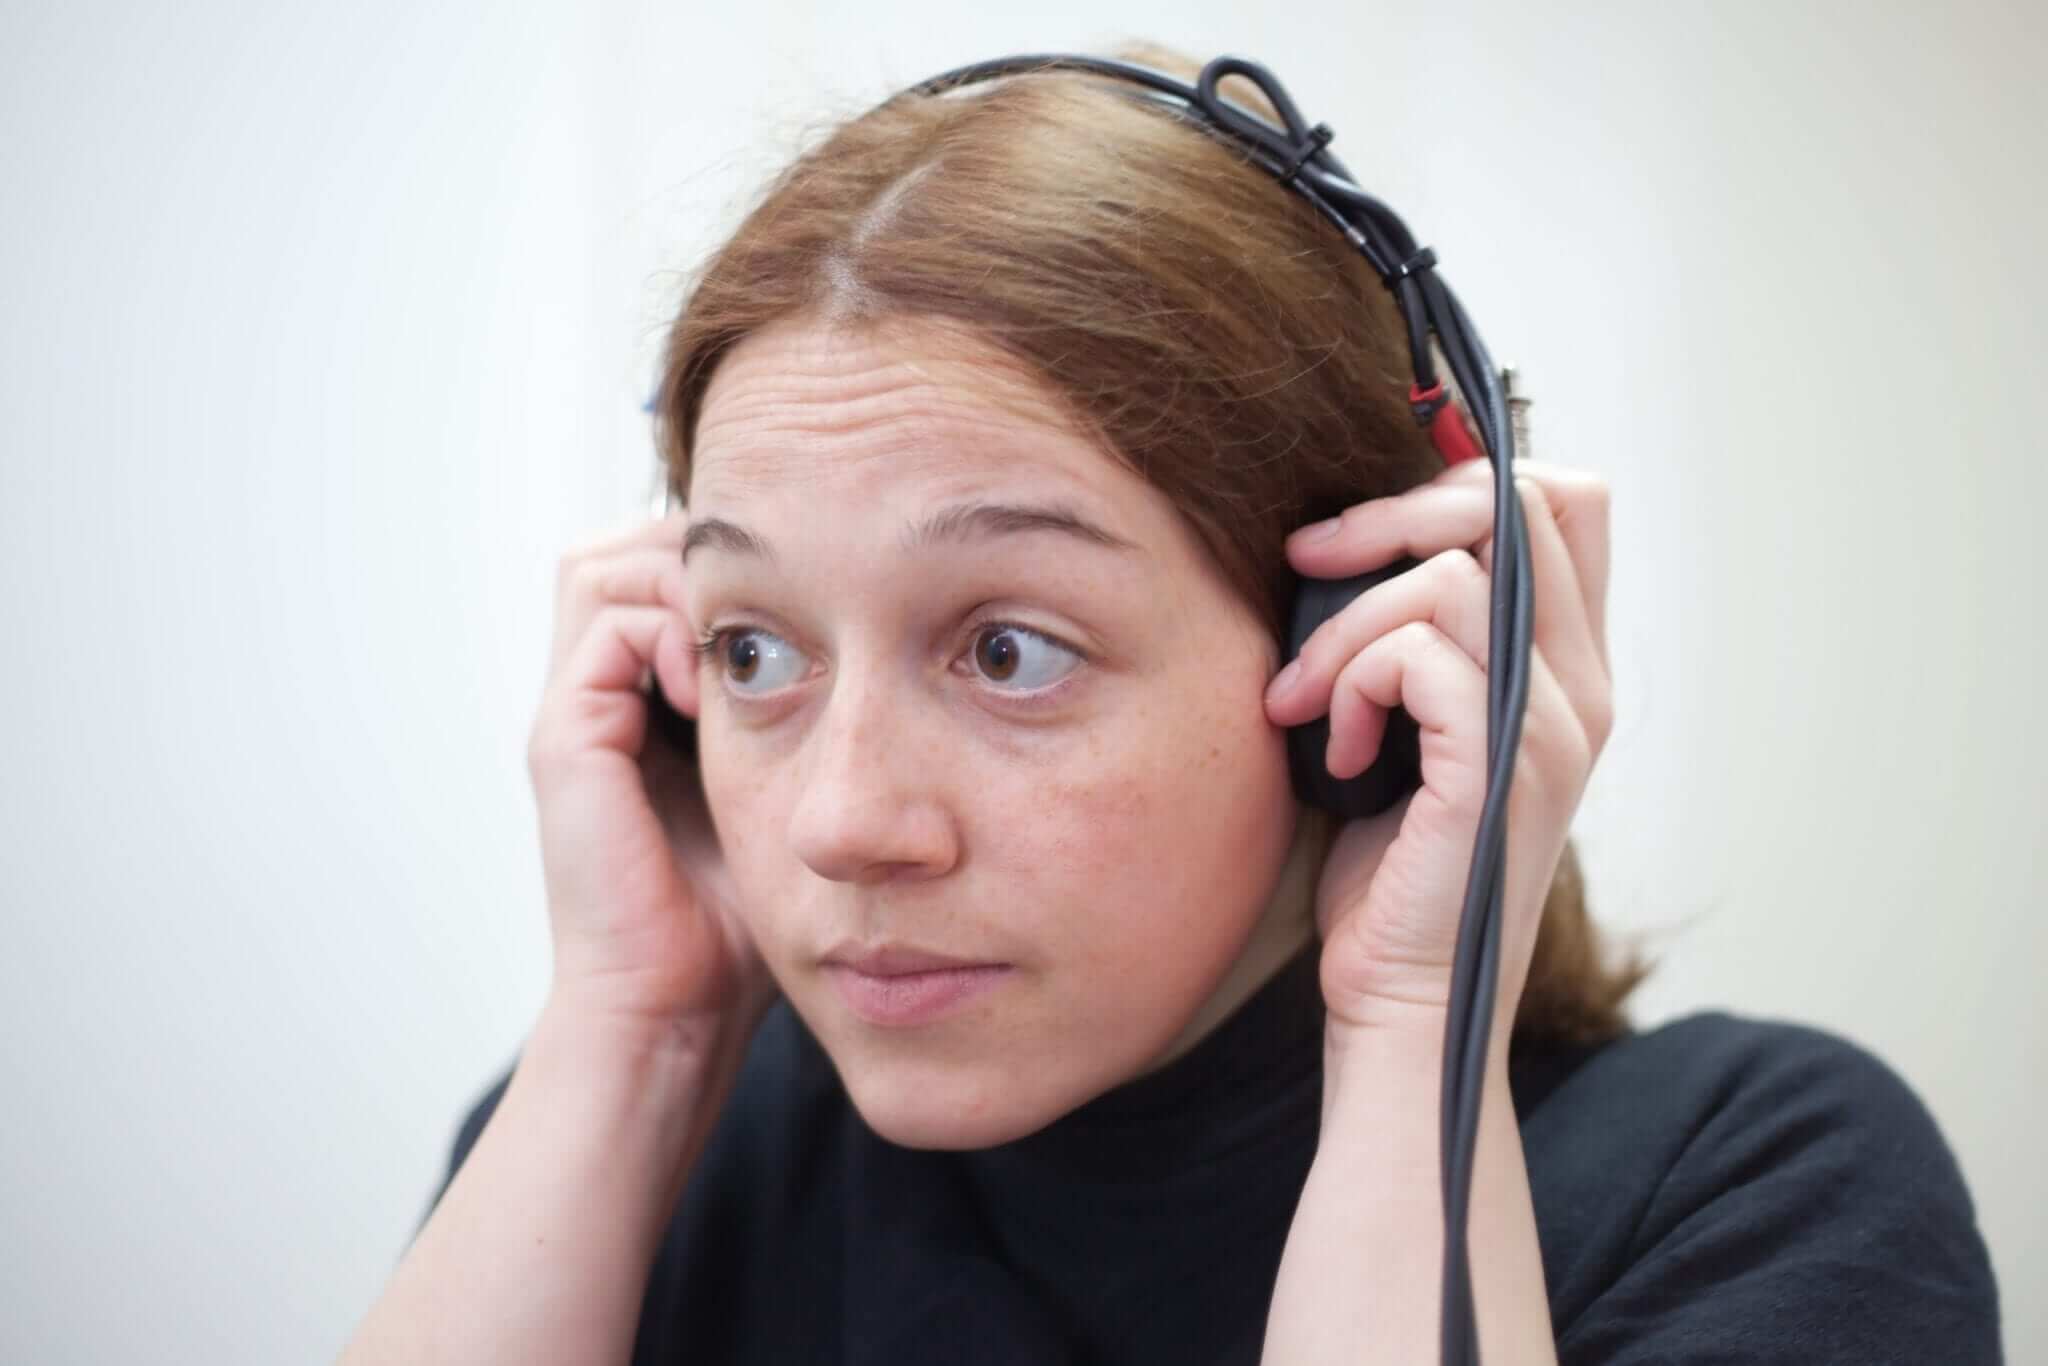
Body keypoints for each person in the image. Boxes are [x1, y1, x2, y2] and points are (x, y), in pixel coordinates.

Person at [335, 43, 2004, 1366]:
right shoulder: (626, 1161)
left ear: (1351, 653)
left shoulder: (1760, 1188)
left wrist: (1421, 1011)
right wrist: (635, 1036)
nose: (843, 820)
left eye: (1007, 650)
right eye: (756, 651)